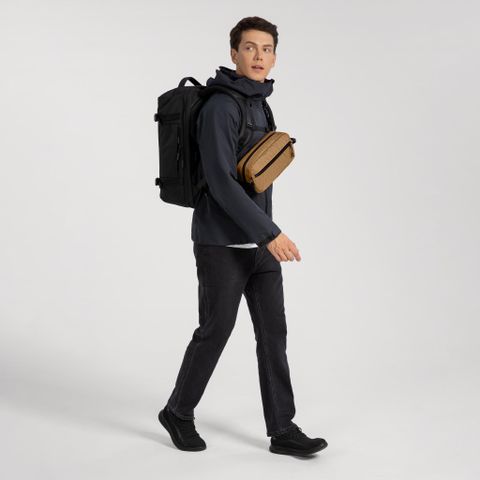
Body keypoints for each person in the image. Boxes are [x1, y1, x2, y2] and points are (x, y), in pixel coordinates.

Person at [158, 16, 328, 457]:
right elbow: (219, 180)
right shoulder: (221, 106)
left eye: (266, 49)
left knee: (273, 334)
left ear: (275, 57)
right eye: (250, 48)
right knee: (216, 330)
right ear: (233, 53)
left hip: (259, 244)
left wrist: (264, 234)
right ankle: (177, 412)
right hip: (221, 243)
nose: (258, 56)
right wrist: (270, 232)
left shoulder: (261, 103)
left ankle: (282, 429)